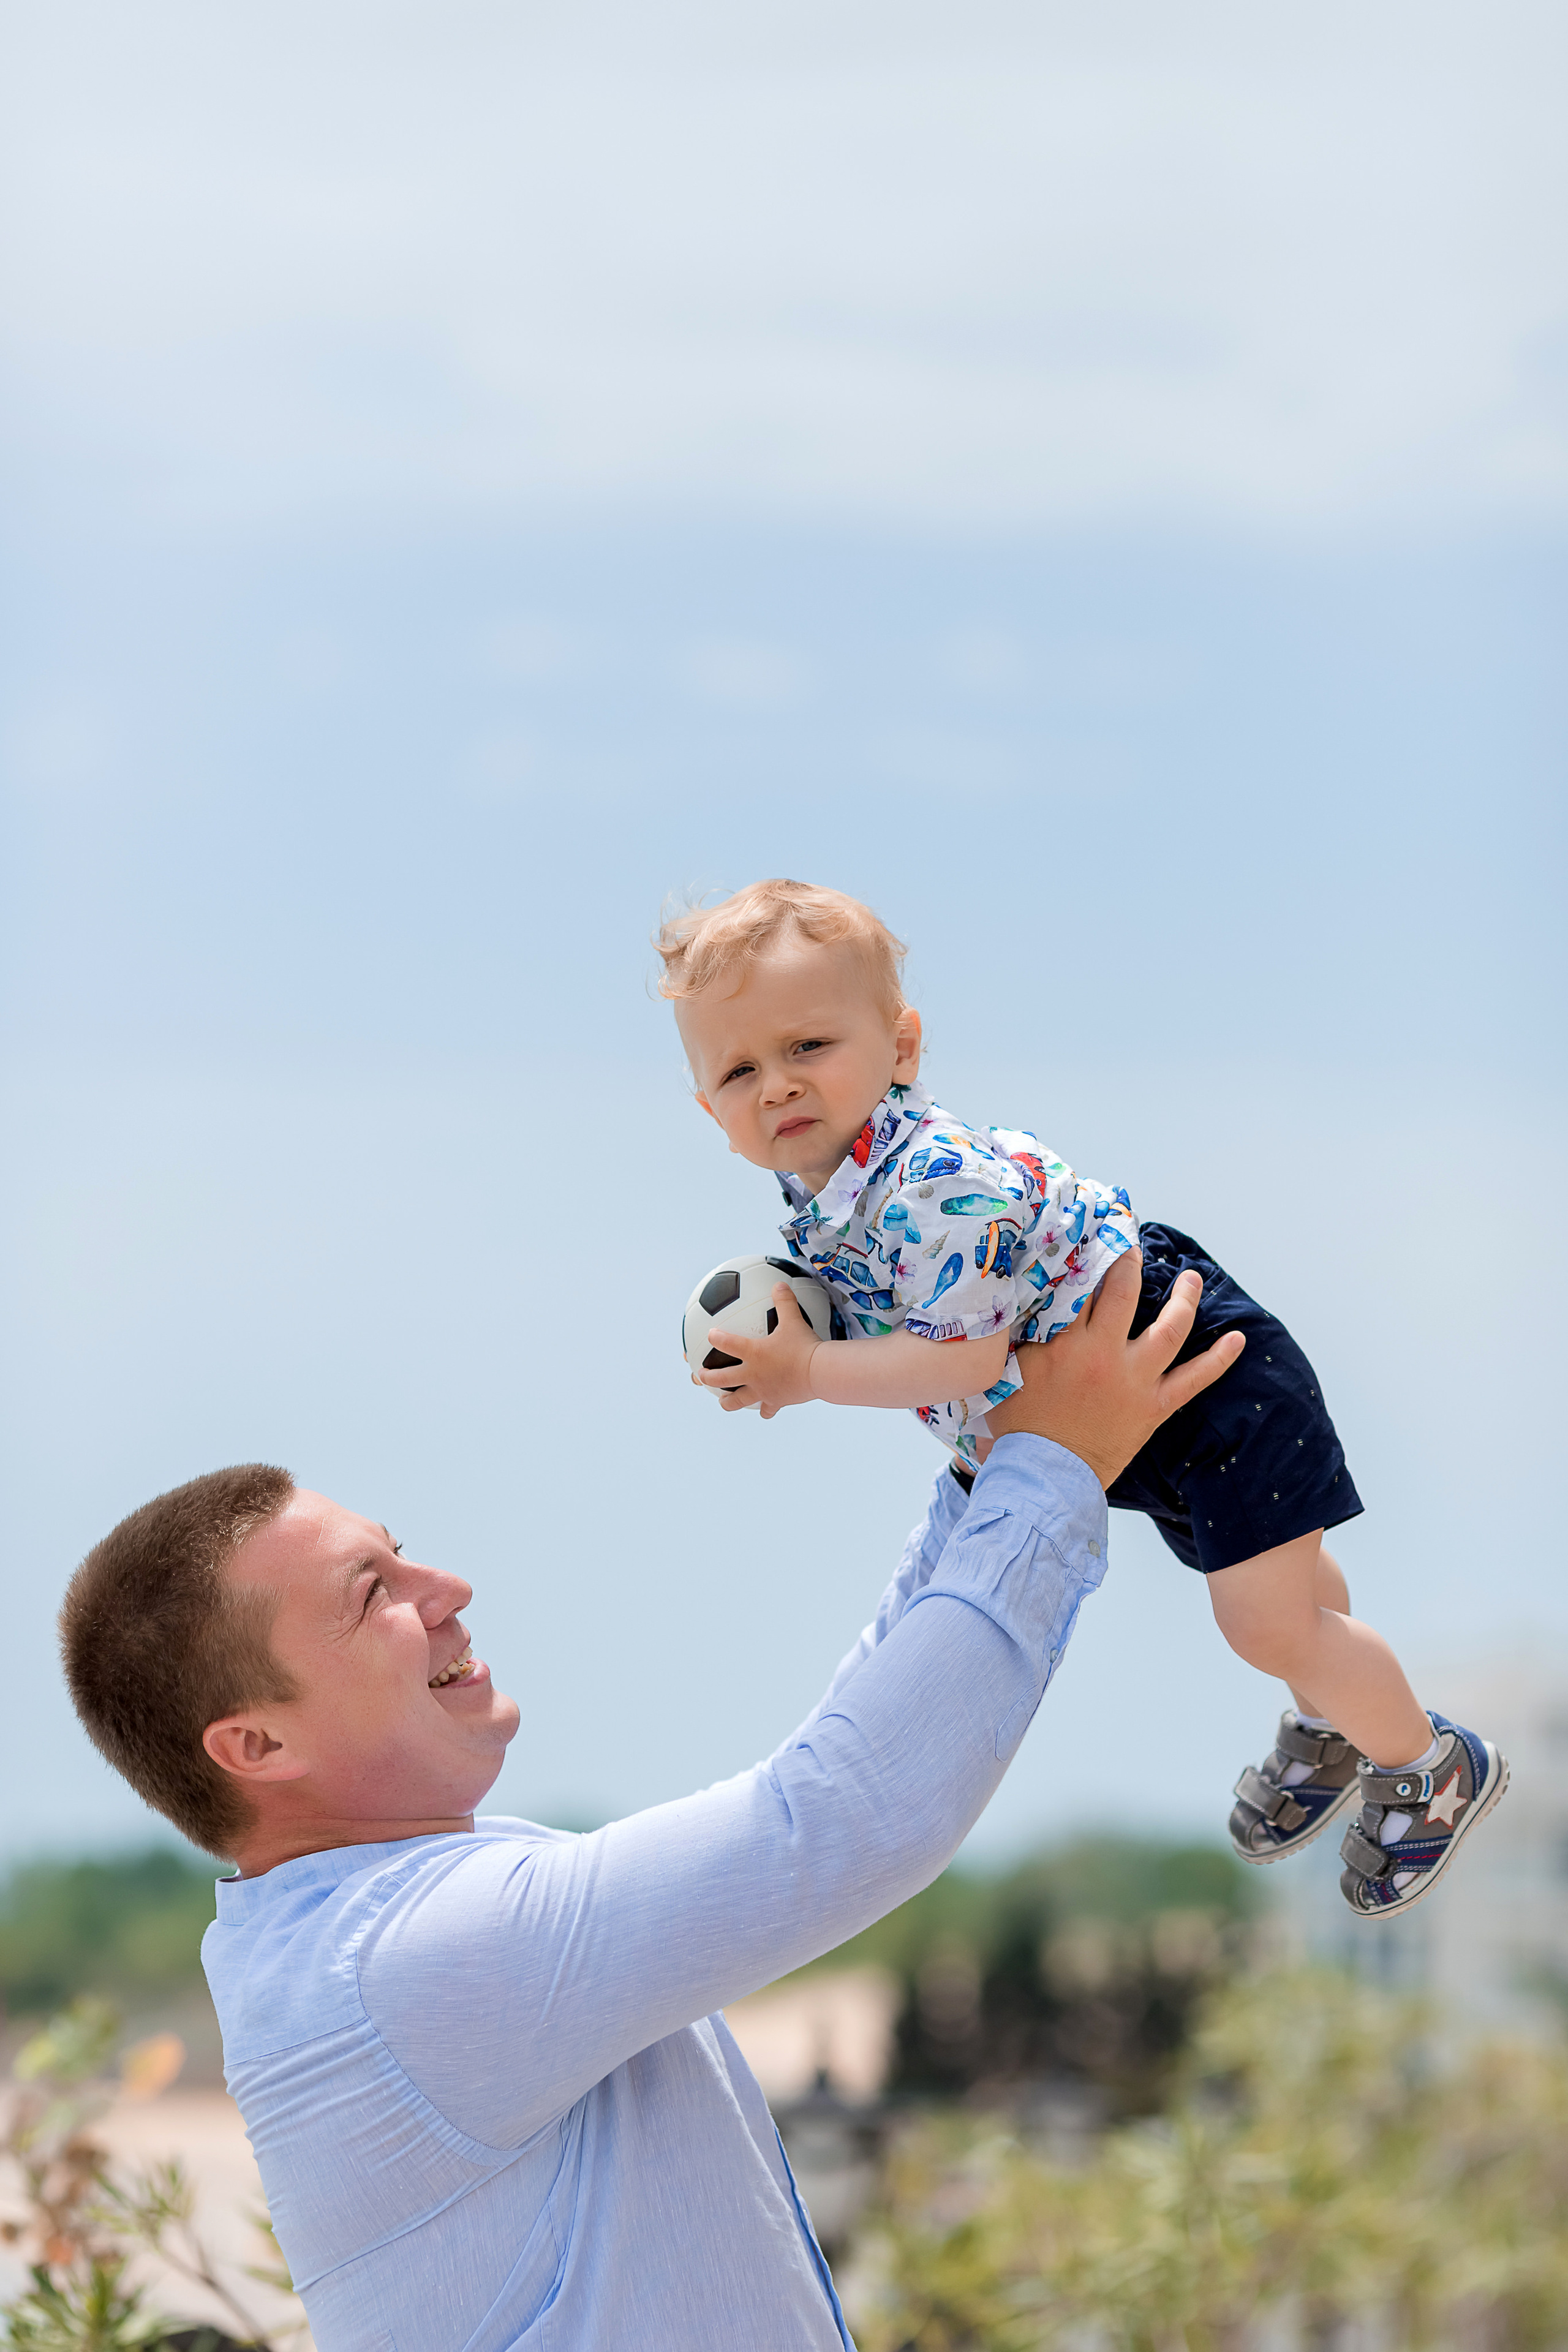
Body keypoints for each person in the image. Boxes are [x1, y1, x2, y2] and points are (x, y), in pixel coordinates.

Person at [61, 1255, 1232, 2352]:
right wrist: (1052, 1464)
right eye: (374, 1594)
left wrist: (987, 1466)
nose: (448, 1587)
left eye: (404, 1555)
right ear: (255, 1745)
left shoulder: (364, 1940)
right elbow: (836, 1820)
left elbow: (826, 1776)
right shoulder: (403, 1964)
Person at [655, 878, 1508, 1920]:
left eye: (809, 1046)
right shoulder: (827, 1196)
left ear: (901, 1048)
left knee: (1264, 1622)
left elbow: (960, 1360)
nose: (778, 1084)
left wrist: (807, 1373)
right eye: (740, 1070)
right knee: (1280, 1584)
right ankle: (1334, 1711)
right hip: (1116, 1398)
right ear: (711, 1110)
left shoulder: (931, 1180)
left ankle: (1429, 1762)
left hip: (1187, 1361)